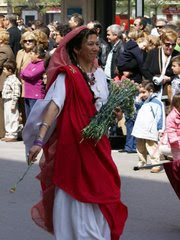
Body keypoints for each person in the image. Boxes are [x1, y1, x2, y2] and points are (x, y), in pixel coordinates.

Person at [23, 26, 128, 240]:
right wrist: (40, 140)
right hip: (74, 143)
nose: (96, 48)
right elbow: (54, 107)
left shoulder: (99, 74)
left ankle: (99, 233)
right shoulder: (67, 75)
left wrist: (115, 113)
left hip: (97, 144)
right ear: (77, 49)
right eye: (90, 44)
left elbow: (104, 105)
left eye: (97, 44)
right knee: (75, 187)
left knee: (104, 186)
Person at [132, 80, 165, 173]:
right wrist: (138, 99)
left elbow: (161, 117)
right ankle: (141, 161)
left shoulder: (157, 102)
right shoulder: (144, 102)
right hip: (141, 128)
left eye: (143, 92)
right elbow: (137, 108)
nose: (141, 94)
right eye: (140, 92)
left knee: (152, 147)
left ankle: (155, 163)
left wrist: (160, 129)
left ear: (151, 91)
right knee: (140, 146)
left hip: (150, 130)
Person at [20, 45, 47, 118]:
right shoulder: (30, 63)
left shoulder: (42, 64)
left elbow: (31, 75)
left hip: (36, 95)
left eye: (31, 53)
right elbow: (21, 74)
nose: (30, 55)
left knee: (35, 118)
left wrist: (23, 72)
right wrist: (24, 72)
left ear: (37, 54)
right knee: (28, 117)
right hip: (27, 94)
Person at [0, 29, 15, 139]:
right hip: (4, 82)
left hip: (4, 82)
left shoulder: (4, 50)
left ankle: (2, 132)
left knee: (2, 109)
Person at [1, 60, 21, 142]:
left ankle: (13, 134)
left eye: (4, 69)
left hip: (11, 101)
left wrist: (13, 104)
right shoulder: (8, 78)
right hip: (6, 101)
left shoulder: (14, 80)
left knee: (13, 117)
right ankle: (8, 133)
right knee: (7, 117)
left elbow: (16, 92)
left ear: (10, 70)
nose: (3, 71)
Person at [165, 94, 180, 161]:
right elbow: (170, 129)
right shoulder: (172, 116)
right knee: (178, 159)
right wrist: (174, 140)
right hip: (176, 143)